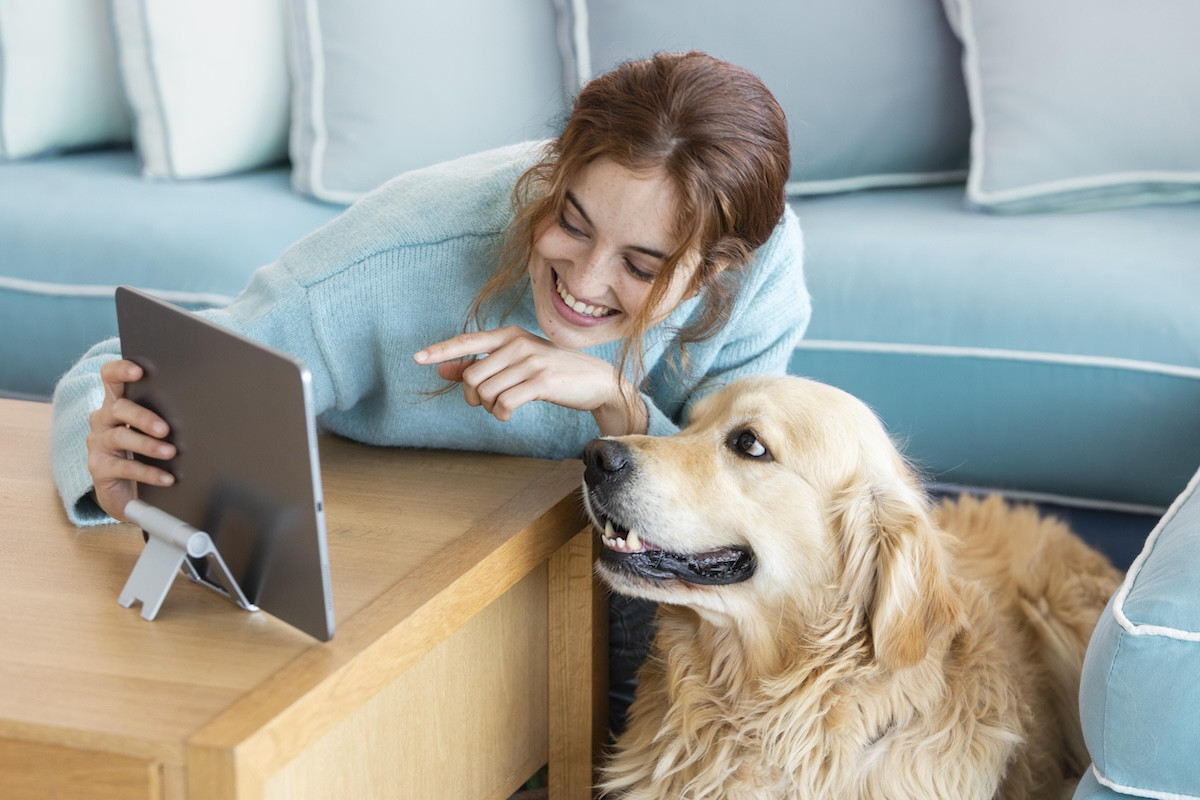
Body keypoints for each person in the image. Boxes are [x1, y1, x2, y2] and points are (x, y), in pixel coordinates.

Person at [49, 51, 810, 732]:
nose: (583, 281)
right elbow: (115, 365)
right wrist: (118, 466)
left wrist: (619, 404)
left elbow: (737, 501)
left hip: (604, 555)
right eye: (572, 223)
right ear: (552, 173)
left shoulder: (757, 269)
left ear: (713, 271)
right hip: (428, 548)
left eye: (641, 268)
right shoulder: (393, 260)